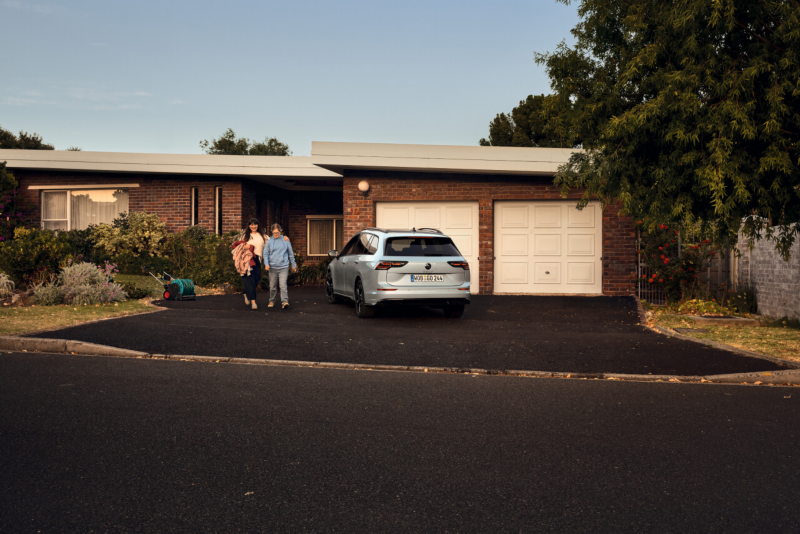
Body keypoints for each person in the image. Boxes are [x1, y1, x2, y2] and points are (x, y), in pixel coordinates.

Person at [263, 223, 297, 309]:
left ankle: (284, 301)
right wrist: (266, 264)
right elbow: (265, 253)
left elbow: (290, 253)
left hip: (283, 267)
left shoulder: (285, 240)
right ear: (271, 232)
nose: (276, 235)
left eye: (277, 233)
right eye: (274, 233)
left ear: (281, 231)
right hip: (272, 267)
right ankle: (272, 301)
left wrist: (293, 264)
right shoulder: (269, 242)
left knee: (283, 285)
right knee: (273, 286)